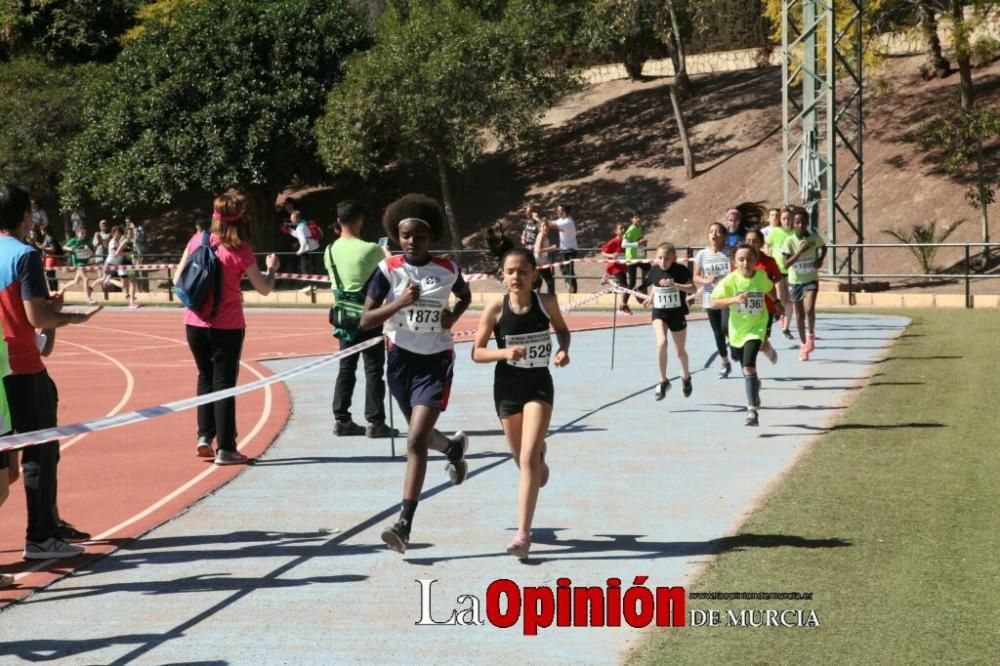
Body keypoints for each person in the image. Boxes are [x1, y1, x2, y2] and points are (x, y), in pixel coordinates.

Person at [359, 193, 473, 554]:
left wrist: (452, 317)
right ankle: (453, 447)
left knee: (414, 441)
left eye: (418, 236)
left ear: (430, 238)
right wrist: (399, 303)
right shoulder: (388, 270)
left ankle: (404, 524)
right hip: (399, 362)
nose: (410, 241)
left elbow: (465, 296)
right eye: (404, 235)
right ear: (396, 235)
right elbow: (366, 319)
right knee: (419, 437)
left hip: (435, 361)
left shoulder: (447, 269)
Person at [0, 183, 102, 560]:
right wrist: (74, 316)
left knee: (12, 461)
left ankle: (48, 521)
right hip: (23, 368)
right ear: (27, 217)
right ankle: (40, 536)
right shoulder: (25, 256)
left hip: (2, 369)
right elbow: (36, 316)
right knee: (39, 453)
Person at [471, 247, 570, 559]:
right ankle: (541, 461)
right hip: (507, 389)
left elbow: (563, 331)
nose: (516, 277)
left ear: (534, 274)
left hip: (539, 386)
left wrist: (563, 350)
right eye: (510, 271)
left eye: (523, 271)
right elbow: (477, 352)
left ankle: (523, 535)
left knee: (526, 459)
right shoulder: (495, 310)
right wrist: (504, 353)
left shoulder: (547, 302)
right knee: (522, 460)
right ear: (503, 275)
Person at [174, 189, 279, 465]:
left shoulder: (197, 240)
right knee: (225, 383)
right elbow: (264, 288)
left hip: (195, 322)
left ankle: (204, 437)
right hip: (227, 325)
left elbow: (177, 278)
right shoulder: (241, 250)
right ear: (240, 218)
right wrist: (272, 269)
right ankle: (227, 448)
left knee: (205, 377)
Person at [325, 199, 396, 438]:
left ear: (338, 221)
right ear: (359, 220)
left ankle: (341, 417)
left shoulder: (329, 250)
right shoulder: (371, 249)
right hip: (367, 312)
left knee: (346, 366)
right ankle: (375, 421)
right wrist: (386, 254)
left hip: (344, 315)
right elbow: (390, 271)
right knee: (374, 368)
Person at [710, 243, 774, 427]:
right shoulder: (730, 281)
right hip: (737, 330)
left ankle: (752, 411)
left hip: (757, 327)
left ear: (756, 260)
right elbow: (714, 302)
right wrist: (734, 299)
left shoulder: (761, 276)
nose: (746, 263)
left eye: (750, 259)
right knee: (743, 363)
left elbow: (769, 287)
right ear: (735, 262)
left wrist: (776, 301)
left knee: (748, 366)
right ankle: (755, 388)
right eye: (741, 259)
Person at [638, 243, 697, 399]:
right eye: (660, 258)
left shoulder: (681, 270)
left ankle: (686, 376)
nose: (663, 261)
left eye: (667, 258)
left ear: (674, 259)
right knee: (661, 343)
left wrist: (675, 285)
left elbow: (693, 289)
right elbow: (656, 286)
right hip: (659, 313)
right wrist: (651, 297)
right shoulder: (654, 270)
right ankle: (663, 381)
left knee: (679, 351)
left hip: (677, 314)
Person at [781, 209, 827, 361]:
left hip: (811, 278)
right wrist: (800, 252)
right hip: (795, 281)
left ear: (808, 223)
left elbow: (824, 247)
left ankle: (811, 334)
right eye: (798, 222)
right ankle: (803, 345)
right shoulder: (789, 241)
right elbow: (786, 264)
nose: (801, 225)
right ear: (793, 224)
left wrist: (820, 260)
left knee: (809, 308)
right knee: (799, 315)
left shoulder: (814, 237)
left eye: (804, 222)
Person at [692, 222, 734, 378]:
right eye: (711, 232)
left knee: (725, 327)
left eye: (717, 232)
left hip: (727, 297)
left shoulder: (730, 253)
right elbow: (695, 276)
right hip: (710, 297)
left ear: (724, 236)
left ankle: (735, 349)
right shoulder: (702, 255)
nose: (714, 234)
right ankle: (725, 363)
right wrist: (706, 280)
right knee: (717, 333)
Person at [745, 227, 785, 364]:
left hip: (766, 306)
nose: (751, 244)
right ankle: (751, 371)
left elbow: (778, 277)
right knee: (750, 341)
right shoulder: (740, 261)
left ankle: (768, 350)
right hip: (745, 307)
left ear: (761, 244)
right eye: (748, 240)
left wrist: (766, 285)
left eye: (755, 241)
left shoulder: (768, 261)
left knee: (760, 342)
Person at [764, 207, 794, 338]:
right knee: (781, 299)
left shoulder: (795, 233)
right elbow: (767, 247)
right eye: (784, 218)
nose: (786, 221)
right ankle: (777, 315)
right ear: (780, 220)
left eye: (789, 218)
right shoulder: (775, 232)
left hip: (793, 271)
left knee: (790, 300)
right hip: (778, 270)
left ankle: (786, 328)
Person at [620, 214, 649, 313]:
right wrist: (637, 244)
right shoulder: (631, 229)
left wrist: (643, 245)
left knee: (653, 272)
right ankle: (623, 304)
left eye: (639, 217)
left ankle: (640, 288)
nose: (639, 219)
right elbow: (623, 245)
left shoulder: (640, 228)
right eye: (636, 217)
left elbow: (639, 241)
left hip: (639, 257)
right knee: (631, 282)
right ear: (632, 219)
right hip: (631, 259)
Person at [59, 226, 96, 304]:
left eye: (84, 233)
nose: (83, 235)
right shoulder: (74, 240)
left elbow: (92, 254)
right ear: (77, 233)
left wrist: (88, 249)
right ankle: (88, 298)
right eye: (81, 233)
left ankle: (63, 287)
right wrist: (71, 249)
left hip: (85, 263)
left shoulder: (88, 241)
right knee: (86, 279)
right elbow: (64, 247)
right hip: (78, 264)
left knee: (76, 282)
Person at [552, 204, 578, 294]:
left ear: (564, 212)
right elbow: (550, 222)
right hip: (565, 249)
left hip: (569, 250)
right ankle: (570, 286)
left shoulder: (566, 222)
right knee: (563, 268)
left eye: (559, 210)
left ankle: (573, 292)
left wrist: (536, 219)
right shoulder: (562, 220)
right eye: (557, 210)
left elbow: (549, 224)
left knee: (569, 271)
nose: (557, 212)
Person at [533, 216, 557, 294]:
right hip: (538, 263)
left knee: (544, 284)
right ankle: (545, 300)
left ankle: (545, 300)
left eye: (546, 226)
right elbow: (538, 251)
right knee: (547, 284)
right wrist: (551, 248)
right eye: (543, 226)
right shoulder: (541, 235)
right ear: (540, 228)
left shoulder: (545, 235)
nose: (545, 227)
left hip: (543, 263)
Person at [600, 223, 628, 288]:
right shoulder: (613, 241)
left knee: (623, 286)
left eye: (624, 228)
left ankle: (611, 282)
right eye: (621, 228)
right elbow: (602, 253)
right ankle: (609, 280)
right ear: (616, 231)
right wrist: (612, 255)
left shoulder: (625, 241)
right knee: (625, 285)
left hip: (623, 266)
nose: (623, 230)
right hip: (615, 267)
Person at [292, 210, 320, 276]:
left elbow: (303, 242)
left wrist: (299, 251)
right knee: (313, 266)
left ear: (297, 219)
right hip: (315, 246)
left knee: (305, 267)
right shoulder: (304, 223)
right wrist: (290, 231)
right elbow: (303, 235)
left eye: (292, 218)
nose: (291, 219)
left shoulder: (299, 228)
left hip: (307, 249)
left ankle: (308, 284)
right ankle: (314, 283)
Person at [37, 223, 62, 293]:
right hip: (47, 258)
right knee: (49, 274)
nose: (41, 231)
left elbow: (53, 249)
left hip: (50, 258)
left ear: (45, 230)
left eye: (42, 230)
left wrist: (43, 247)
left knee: (51, 274)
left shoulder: (49, 238)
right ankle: (52, 290)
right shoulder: (46, 237)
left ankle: (54, 290)